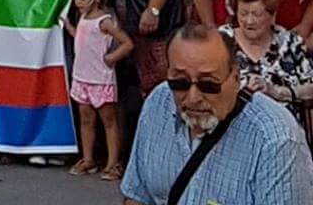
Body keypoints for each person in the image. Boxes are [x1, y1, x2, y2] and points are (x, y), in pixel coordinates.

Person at [121, 22, 313, 204]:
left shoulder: (276, 140)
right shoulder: (158, 103)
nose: (193, 97)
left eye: (208, 84)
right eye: (180, 83)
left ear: (236, 78)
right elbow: (137, 195)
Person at [67, 0, 133, 179]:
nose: (78, 2)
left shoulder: (104, 21)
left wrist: (111, 58)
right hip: (81, 77)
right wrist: (67, 25)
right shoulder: (82, 17)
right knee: (86, 120)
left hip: (100, 79)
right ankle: (88, 159)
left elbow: (127, 43)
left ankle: (113, 163)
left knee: (109, 121)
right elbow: (80, 37)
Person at [231, 0, 313, 114]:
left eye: (256, 14)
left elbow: (311, 87)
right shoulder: (221, 42)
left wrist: (277, 92)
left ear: (272, 16)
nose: (249, 21)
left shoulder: (290, 43)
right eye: (243, 14)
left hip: (286, 128)